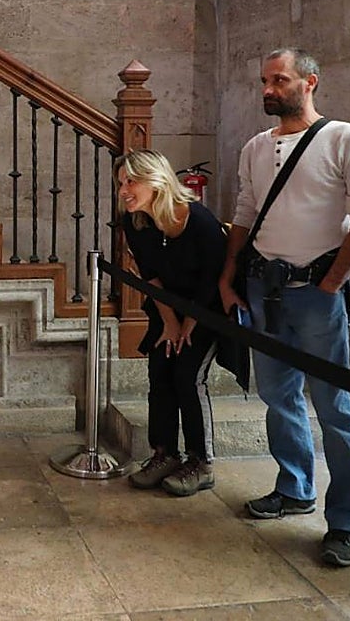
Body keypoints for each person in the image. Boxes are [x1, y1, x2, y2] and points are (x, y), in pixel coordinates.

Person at [217, 47, 350, 568]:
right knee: (278, 395)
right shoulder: (254, 148)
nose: (267, 89)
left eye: (278, 79)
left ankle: (346, 519)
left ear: (309, 82)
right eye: (264, 80)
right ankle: (294, 486)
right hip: (264, 288)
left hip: (317, 292)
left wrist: (332, 282)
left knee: (335, 406)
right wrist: (228, 274)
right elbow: (244, 210)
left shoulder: (344, 137)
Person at [117, 150, 239, 496]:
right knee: (160, 371)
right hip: (167, 307)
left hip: (208, 307)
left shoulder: (197, 220)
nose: (124, 190)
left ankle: (201, 462)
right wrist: (170, 323)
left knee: (188, 375)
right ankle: (164, 453)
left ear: (156, 181)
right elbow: (150, 277)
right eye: (121, 183)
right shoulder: (135, 221)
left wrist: (189, 325)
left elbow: (212, 280)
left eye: (131, 181)